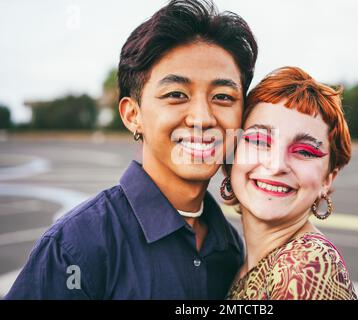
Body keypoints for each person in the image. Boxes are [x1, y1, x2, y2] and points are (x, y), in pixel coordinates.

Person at [6, 0, 257, 299]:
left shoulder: (230, 246)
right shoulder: (76, 246)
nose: (202, 118)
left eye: (223, 96)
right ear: (132, 115)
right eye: (176, 94)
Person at [223, 67, 357, 300]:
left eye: (304, 151)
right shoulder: (240, 256)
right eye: (258, 140)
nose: (276, 165)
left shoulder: (305, 268)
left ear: (328, 179)